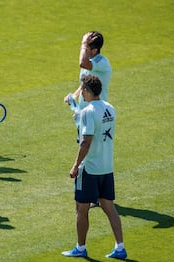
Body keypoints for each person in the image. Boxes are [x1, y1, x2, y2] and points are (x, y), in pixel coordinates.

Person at [61, 75, 127, 260]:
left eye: (82, 90)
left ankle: (80, 248)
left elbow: (85, 142)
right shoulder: (110, 108)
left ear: (88, 91)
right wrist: (75, 108)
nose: (81, 92)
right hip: (107, 167)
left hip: (89, 168)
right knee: (109, 206)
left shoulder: (89, 111)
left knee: (81, 209)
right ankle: (120, 247)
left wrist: (75, 166)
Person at [64, 31, 112, 208]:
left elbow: (82, 62)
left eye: (86, 47)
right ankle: (97, 195)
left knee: (89, 149)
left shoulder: (100, 62)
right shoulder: (92, 63)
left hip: (97, 112)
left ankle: (94, 195)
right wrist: (74, 96)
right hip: (85, 112)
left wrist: (83, 43)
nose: (83, 49)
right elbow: (85, 81)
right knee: (87, 148)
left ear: (94, 50)